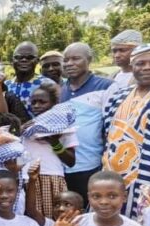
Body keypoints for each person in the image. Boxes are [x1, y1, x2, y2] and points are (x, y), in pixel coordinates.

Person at [103, 43, 150, 218]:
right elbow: (106, 134)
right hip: (112, 177)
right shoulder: (118, 96)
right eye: (141, 63)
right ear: (132, 66)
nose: (148, 67)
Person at [57, 43, 117, 204]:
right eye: (66, 60)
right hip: (65, 164)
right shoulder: (62, 89)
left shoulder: (106, 86)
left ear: (89, 60)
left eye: (76, 58)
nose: (69, 63)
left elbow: (113, 127)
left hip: (91, 165)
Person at [22, 81, 77, 218]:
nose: (37, 106)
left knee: (49, 221)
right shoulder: (28, 127)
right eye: (33, 103)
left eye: (42, 102)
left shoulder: (65, 127)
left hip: (51, 178)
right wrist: (20, 131)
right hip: (26, 178)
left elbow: (71, 161)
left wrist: (54, 142)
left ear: (53, 104)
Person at [25, 161, 85, 226]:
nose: (60, 209)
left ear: (81, 212)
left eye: (67, 204)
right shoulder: (49, 225)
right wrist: (32, 180)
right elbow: (31, 210)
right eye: (56, 205)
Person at [5, 42, 46, 117]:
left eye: (30, 57)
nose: (24, 60)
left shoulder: (47, 84)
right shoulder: (5, 85)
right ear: (12, 60)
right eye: (18, 57)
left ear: (37, 61)